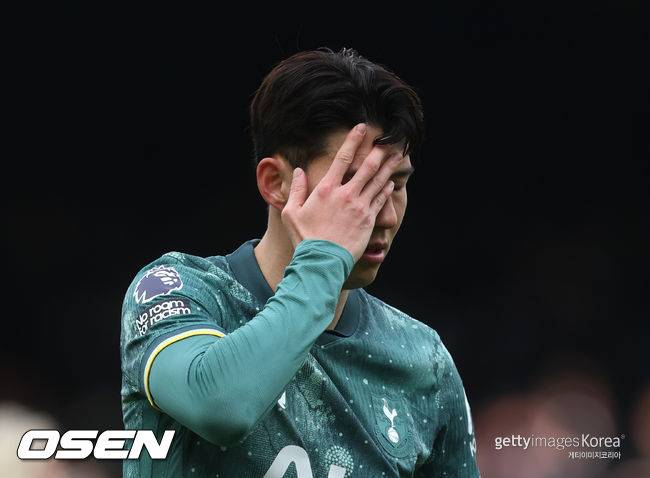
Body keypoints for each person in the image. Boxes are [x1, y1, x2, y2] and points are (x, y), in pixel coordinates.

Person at [120, 47, 480, 477]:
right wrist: (323, 258)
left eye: (396, 185)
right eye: (355, 186)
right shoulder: (175, 289)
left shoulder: (423, 360)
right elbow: (220, 407)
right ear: (275, 183)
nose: (383, 215)